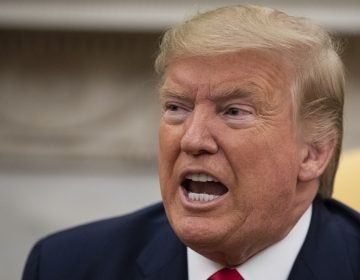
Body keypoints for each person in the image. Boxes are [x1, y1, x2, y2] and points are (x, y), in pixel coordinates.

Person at [22, 4, 360, 280]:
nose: (193, 139)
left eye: (233, 111)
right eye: (176, 108)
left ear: (313, 154)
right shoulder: (65, 266)